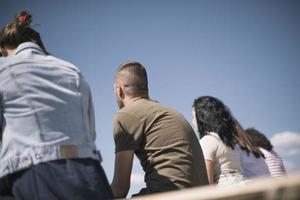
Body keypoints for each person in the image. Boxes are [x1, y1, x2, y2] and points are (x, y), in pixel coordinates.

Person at [0, 11, 113, 199]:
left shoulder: (4, 68)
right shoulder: (72, 70)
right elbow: (91, 133)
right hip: (91, 174)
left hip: (34, 175)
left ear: (2, 50)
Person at [111, 61, 208, 198]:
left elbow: (120, 189)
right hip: (204, 196)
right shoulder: (170, 112)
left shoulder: (125, 115)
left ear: (119, 90)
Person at [192, 96, 256, 186]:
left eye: (193, 117)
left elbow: (206, 183)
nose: (192, 122)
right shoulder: (230, 142)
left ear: (202, 117)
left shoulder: (207, 141)